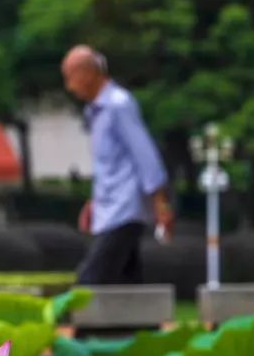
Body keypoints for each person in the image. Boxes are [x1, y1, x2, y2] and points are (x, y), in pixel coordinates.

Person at [61, 45, 173, 285]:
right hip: (110, 209)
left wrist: (161, 204)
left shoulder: (118, 105)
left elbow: (144, 155)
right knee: (125, 286)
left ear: (88, 73)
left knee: (89, 283)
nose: (69, 86)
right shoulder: (95, 112)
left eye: (70, 77)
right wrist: (95, 201)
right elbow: (110, 165)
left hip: (124, 210)